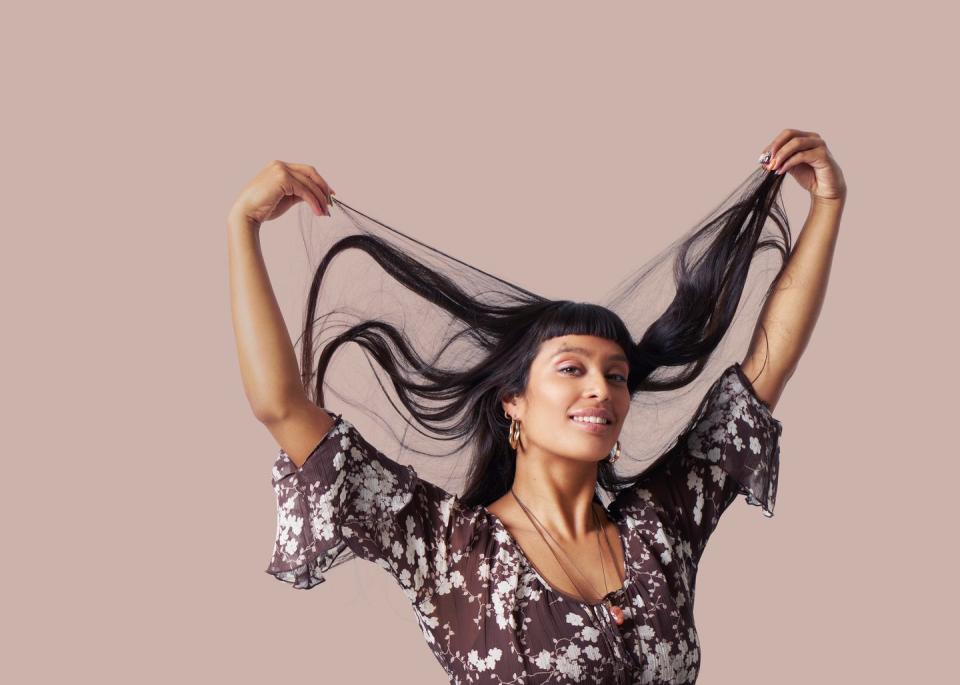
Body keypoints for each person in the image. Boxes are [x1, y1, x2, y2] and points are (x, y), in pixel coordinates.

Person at [227, 131, 846, 683]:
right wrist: (242, 227)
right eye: (572, 369)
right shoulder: (447, 547)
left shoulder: (660, 527)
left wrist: (828, 206)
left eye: (618, 376)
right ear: (513, 402)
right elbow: (282, 407)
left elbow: (765, 370)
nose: (602, 389)